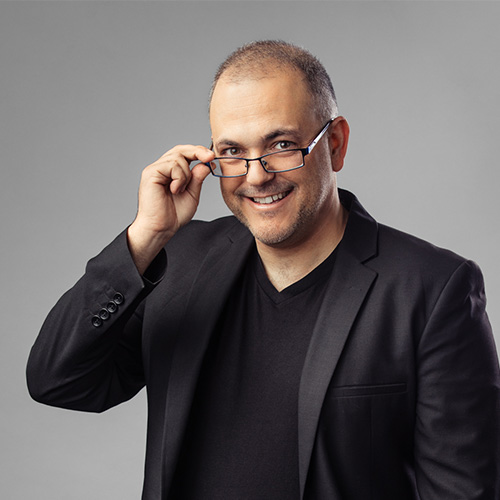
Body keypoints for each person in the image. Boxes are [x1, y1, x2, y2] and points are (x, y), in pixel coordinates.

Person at [27, 40, 500, 499]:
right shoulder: (178, 261)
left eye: (282, 144)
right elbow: (59, 382)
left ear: (335, 144)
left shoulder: (433, 289)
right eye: (232, 152)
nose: (256, 176)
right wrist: (144, 238)